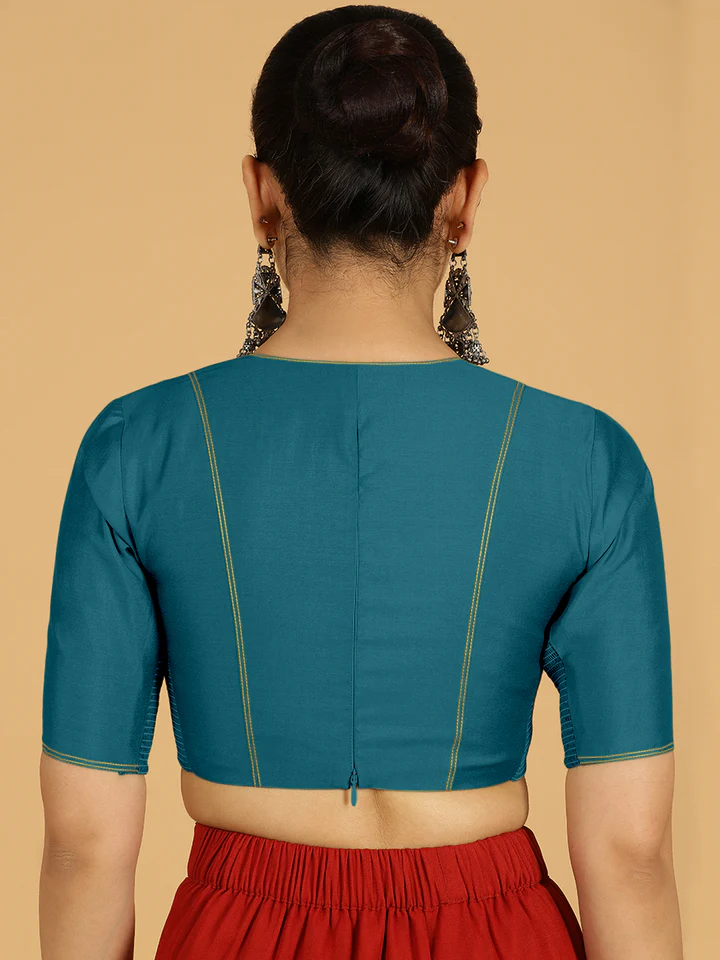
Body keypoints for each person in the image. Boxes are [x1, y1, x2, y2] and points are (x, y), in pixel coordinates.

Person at [38, 6, 683, 959]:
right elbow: (630, 853)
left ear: (262, 192)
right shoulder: (587, 458)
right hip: (495, 930)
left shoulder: (137, 445)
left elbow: (84, 845)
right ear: (464, 197)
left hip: (237, 930)